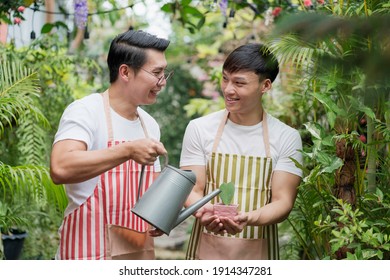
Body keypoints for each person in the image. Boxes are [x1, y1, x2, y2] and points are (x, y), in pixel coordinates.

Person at [50, 29, 172, 260]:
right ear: (125, 72)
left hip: (133, 255)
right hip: (86, 255)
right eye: (157, 73)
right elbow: (60, 167)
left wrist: (160, 215)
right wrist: (127, 150)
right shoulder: (86, 111)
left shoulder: (150, 125)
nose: (162, 82)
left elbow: (150, 196)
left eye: (165, 73)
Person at [180, 43, 303, 260]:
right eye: (225, 78)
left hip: (258, 254)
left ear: (265, 86)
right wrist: (207, 212)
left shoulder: (286, 137)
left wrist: (250, 218)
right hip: (205, 250)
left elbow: (283, 201)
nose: (228, 89)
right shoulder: (199, 128)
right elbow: (192, 189)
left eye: (239, 83)